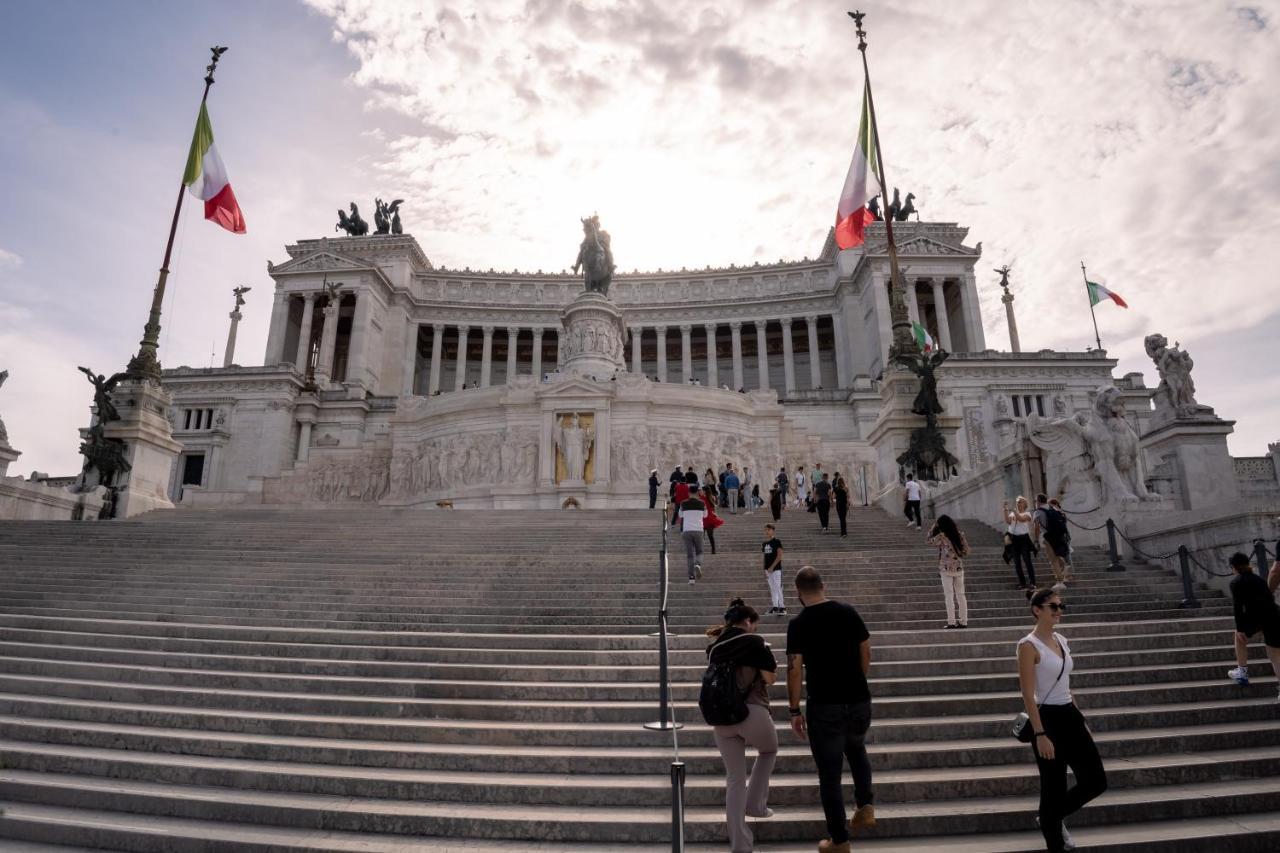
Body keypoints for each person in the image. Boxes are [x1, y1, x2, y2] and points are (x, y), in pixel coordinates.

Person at [786, 566, 875, 853]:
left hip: (825, 704)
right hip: (858, 698)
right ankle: (865, 805)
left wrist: (794, 709)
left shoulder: (799, 623)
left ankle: (839, 840)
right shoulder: (848, 612)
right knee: (858, 750)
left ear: (798, 593)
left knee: (829, 773)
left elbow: (795, 669)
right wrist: (858, 680)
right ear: (823, 585)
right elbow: (865, 649)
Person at [1018, 588, 1107, 852]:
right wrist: (1040, 733)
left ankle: (1050, 818)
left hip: (1070, 714)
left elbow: (1067, 684)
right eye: (1053, 607)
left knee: (1096, 781)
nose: (1059, 611)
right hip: (1048, 720)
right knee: (1053, 787)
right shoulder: (1027, 645)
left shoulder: (1062, 640)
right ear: (1037, 610)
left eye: (1061, 606)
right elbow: (1027, 693)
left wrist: (1082, 720)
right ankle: (1053, 833)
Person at [705, 599, 779, 853]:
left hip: (721, 718)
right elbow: (770, 678)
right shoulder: (754, 642)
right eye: (754, 626)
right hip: (751, 711)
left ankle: (740, 844)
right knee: (768, 750)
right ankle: (756, 805)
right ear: (748, 622)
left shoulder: (715, 647)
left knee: (735, 779)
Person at [1225, 552, 1280, 699]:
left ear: (1234, 567)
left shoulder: (1235, 583)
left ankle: (1242, 671)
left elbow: (1238, 607)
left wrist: (1240, 628)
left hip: (1255, 618)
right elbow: (1270, 598)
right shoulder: (1259, 580)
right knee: (1274, 656)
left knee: (1238, 636)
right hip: (1273, 616)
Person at [927, 514, 969, 628]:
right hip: (959, 568)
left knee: (949, 596)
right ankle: (963, 621)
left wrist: (933, 527)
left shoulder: (941, 536)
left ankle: (951, 622)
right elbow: (966, 550)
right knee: (961, 595)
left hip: (945, 569)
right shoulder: (959, 535)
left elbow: (929, 541)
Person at [1033, 494, 1072, 590]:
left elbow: (1037, 527)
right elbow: (1063, 520)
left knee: (1053, 559)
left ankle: (1060, 581)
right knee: (1058, 557)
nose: (1035, 503)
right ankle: (1064, 575)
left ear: (1038, 501)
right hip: (1059, 537)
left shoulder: (1038, 512)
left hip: (1048, 538)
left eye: (1035, 501)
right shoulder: (1054, 509)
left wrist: (1036, 540)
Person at [1004, 496, 1038, 591]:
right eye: (1017, 502)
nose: (1018, 503)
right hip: (1014, 540)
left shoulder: (1027, 514)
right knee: (1017, 562)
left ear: (1025, 504)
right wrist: (1005, 510)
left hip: (1024, 539)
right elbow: (1008, 521)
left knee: (1027, 561)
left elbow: (1022, 519)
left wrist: (1015, 513)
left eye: (1020, 502)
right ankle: (1022, 583)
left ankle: (1032, 582)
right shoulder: (1012, 514)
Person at [680, 486, 707, 585]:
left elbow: (680, 515)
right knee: (699, 551)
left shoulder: (683, 503)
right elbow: (705, 515)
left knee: (690, 555)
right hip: (698, 530)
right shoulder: (702, 503)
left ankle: (691, 578)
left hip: (687, 530)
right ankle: (698, 564)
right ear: (697, 493)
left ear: (689, 493)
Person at [762, 523, 785, 615]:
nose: (767, 531)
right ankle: (775, 607)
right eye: (766, 530)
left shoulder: (777, 541)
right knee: (772, 588)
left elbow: (780, 555)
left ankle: (782, 607)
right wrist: (764, 569)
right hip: (768, 570)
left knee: (778, 587)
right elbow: (764, 557)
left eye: (769, 529)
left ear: (773, 530)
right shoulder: (764, 543)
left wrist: (772, 567)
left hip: (776, 569)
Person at [701, 486, 725, 555]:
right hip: (706, 517)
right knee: (708, 535)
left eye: (702, 490)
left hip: (707, 517)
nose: (701, 491)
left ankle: (712, 549)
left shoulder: (705, 498)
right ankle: (712, 549)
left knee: (706, 535)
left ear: (705, 491)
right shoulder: (710, 497)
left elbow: (713, 507)